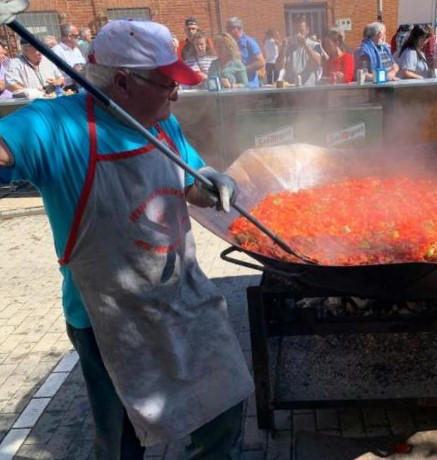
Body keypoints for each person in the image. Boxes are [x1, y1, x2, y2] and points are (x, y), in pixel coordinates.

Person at [0, 20, 253, 459]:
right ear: (121, 81)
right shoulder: (55, 126)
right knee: (122, 441)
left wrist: (210, 183)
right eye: (165, 83)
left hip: (181, 297)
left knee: (226, 404)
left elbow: (188, 182)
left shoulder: (161, 122)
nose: (176, 93)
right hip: (109, 320)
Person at [276, 15, 324, 86]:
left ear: (307, 30)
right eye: (296, 31)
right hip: (291, 90)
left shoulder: (315, 45)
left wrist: (305, 45)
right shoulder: (289, 47)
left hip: (309, 89)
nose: (298, 34)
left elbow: (318, 62)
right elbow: (279, 67)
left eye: (301, 31)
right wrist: (283, 49)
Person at [225, 17, 265, 88]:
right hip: (235, 86)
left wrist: (243, 70)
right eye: (226, 29)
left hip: (250, 86)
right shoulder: (229, 44)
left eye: (229, 29)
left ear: (237, 28)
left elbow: (261, 62)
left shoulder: (249, 42)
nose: (227, 32)